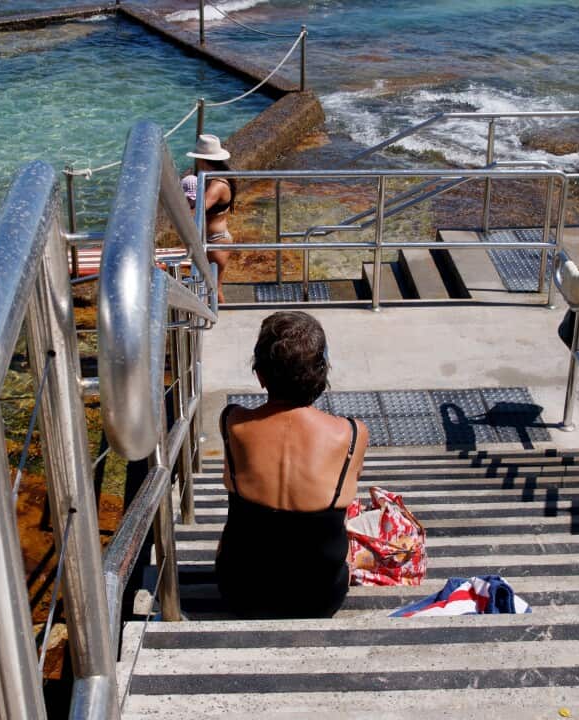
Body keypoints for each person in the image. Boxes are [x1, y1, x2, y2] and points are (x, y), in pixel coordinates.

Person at [215, 311, 368, 618]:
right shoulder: (351, 434)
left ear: (260, 375)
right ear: (321, 374)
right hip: (320, 599)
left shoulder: (232, 422)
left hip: (241, 593)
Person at [187, 134, 236, 304]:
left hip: (216, 241)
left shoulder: (217, 185)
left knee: (214, 288)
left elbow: (197, 211)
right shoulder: (212, 179)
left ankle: (227, 324)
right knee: (211, 287)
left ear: (201, 159)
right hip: (212, 239)